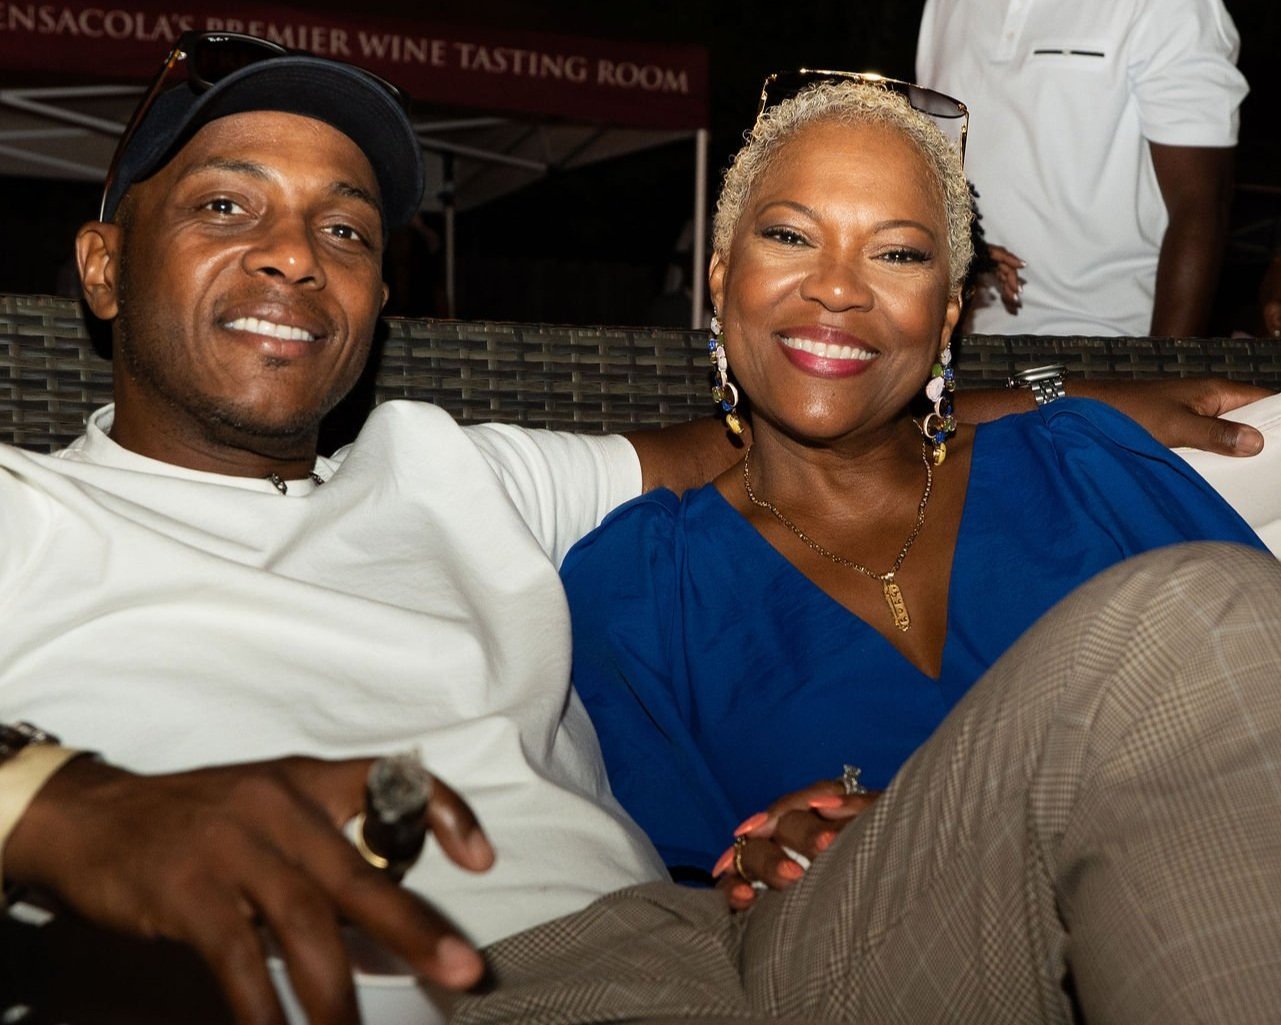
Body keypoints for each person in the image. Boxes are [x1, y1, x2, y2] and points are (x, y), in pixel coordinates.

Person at [0, 37, 1272, 1024]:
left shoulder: (452, 468)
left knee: (1188, 621)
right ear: (104, 266)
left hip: (734, 956)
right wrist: (62, 802)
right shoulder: (26, 506)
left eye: (343, 228)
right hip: (412, 986)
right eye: (228, 207)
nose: (292, 257)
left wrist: (1075, 398)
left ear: (379, 293)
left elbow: (786, 412)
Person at [498, 74, 1281, 1023]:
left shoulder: (1085, 463)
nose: (835, 286)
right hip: (867, 975)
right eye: (789, 235)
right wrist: (771, 854)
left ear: (947, 315)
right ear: (718, 279)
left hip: (1184, 937)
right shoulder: (635, 585)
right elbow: (670, 904)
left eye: (898, 254)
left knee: (1206, 601)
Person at [916, 0, 1249, 337]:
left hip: (1107, 345)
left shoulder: (1170, 7)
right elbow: (935, 175)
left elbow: (1201, 204)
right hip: (953, 341)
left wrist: (1163, 373)